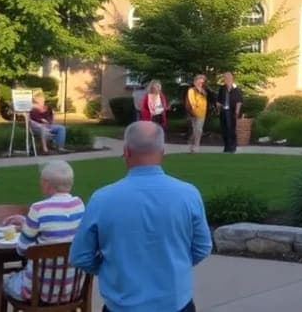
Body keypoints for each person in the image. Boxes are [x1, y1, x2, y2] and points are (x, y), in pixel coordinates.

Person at [70, 122, 212, 312]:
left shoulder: (102, 199)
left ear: (126, 151)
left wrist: (112, 270)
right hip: (175, 303)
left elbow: (80, 255)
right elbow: (202, 247)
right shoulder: (188, 194)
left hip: (122, 304)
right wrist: (175, 265)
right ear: (163, 151)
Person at [1, 161, 85, 303]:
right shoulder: (79, 205)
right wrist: (27, 222)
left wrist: (28, 227)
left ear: (46, 184)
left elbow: (22, 250)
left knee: (5, 280)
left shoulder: (38, 209)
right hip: (72, 289)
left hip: (38, 292)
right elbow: (57, 226)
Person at [216, 72, 243, 153]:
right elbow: (219, 100)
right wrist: (218, 107)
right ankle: (226, 147)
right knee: (224, 129)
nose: (226, 79)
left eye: (227, 78)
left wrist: (237, 111)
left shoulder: (236, 89)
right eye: (225, 78)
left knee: (231, 129)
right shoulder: (222, 88)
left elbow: (239, 101)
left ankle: (232, 146)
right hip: (223, 111)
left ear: (231, 78)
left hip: (232, 112)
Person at [184, 74, 209, 153]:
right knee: (196, 129)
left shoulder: (203, 91)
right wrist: (194, 109)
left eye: (202, 82)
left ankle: (195, 145)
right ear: (195, 82)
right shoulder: (191, 90)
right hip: (194, 113)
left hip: (202, 113)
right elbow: (192, 101)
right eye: (199, 82)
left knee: (198, 130)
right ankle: (194, 144)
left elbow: (205, 100)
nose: (201, 84)